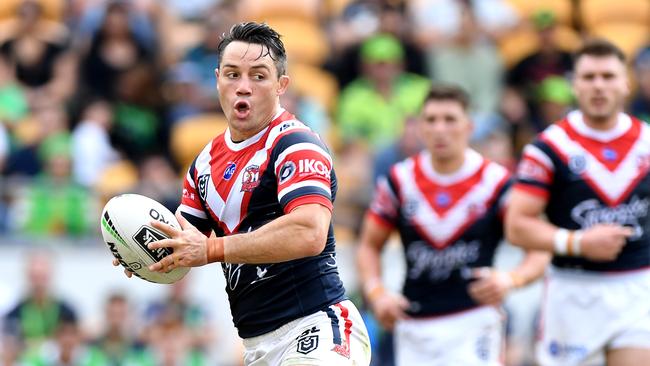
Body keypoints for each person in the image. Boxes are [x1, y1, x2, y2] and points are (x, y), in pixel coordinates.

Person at [113, 22, 371, 365]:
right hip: (256, 345)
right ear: (217, 78)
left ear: (281, 85)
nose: (243, 87)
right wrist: (141, 249)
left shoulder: (295, 144)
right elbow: (183, 247)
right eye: (233, 75)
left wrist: (211, 249)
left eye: (259, 76)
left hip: (316, 328)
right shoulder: (204, 164)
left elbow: (309, 232)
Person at [356, 84, 550, 365]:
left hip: (476, 321)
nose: (440, 129)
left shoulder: (495, 182)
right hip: (414, 324)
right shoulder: (399, 181)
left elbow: (540, 246)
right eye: (431, 120)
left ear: (469, 126)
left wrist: (511, 279)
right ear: (420, 127)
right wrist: (377, 294)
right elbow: (369, 245)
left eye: (450, 119)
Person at [506, 39, 650, 366]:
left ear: (626, 83)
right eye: (589, 77)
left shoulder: (646, 142)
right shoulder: (548, 148)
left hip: (637, 288)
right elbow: (517, 226)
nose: (599, 86)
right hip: (573, 291)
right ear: (574, 84)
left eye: (608, 76)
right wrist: (577, 242)